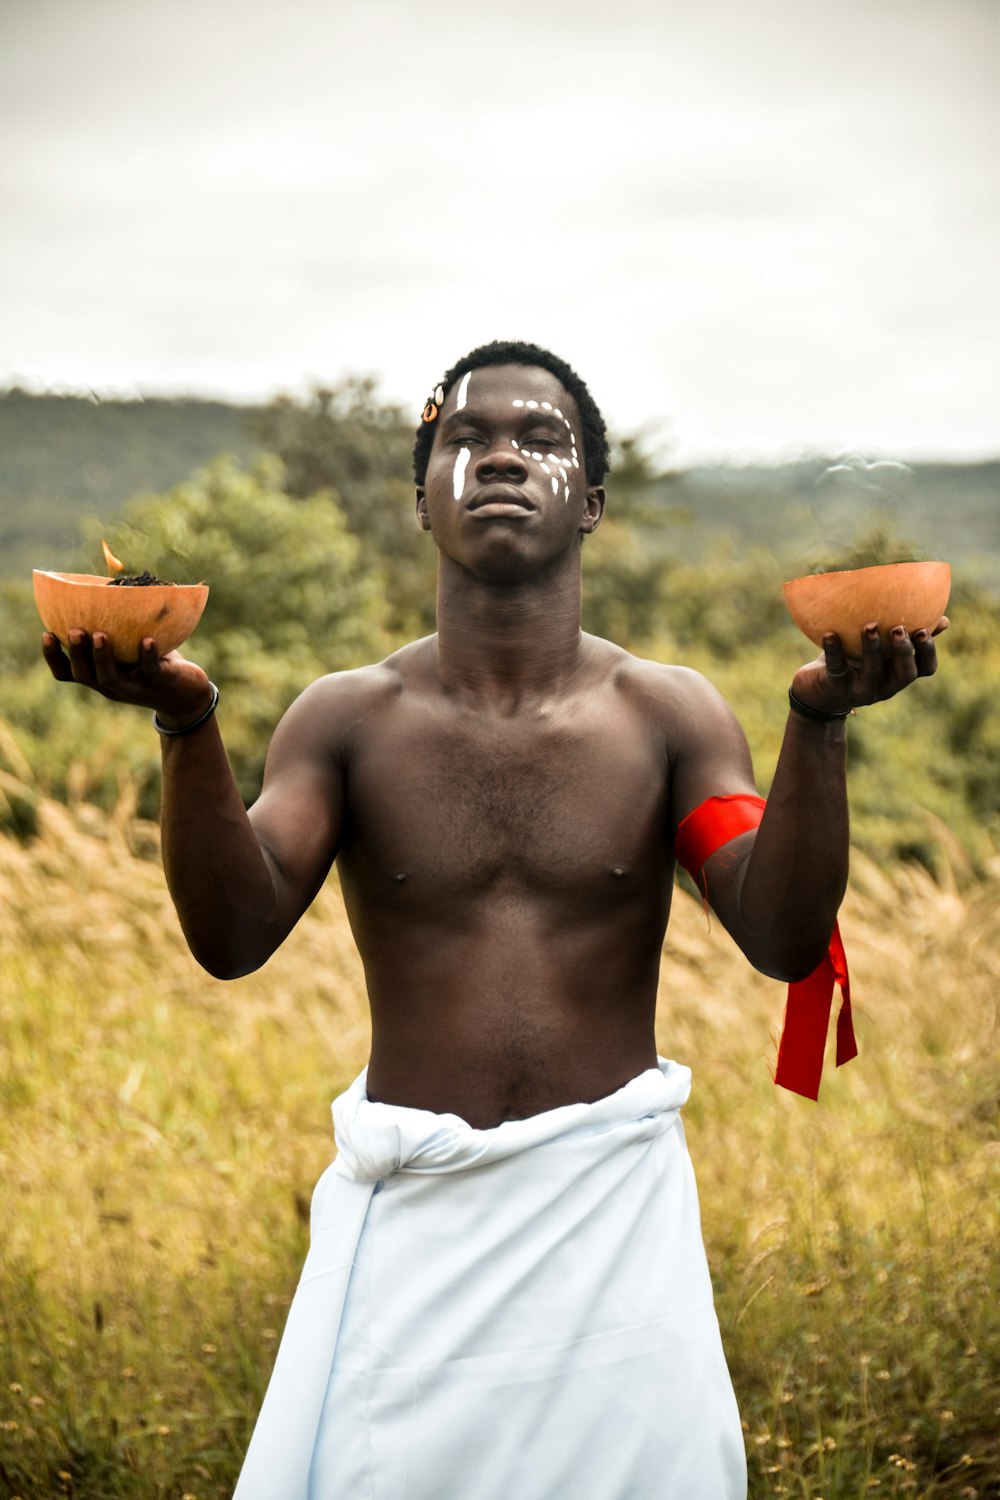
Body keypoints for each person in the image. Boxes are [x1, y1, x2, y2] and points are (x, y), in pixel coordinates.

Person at [42, 340, 945, 1499]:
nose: (502, 454)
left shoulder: (666, 714)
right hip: (413, 1239)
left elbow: (777, 936)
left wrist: (816, 726)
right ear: (423, 499)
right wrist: (188, 725)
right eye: (465, 437)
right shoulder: (346, 720)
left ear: (593, 506)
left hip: (613, 1231)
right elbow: (233, 935)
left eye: (542, 438)